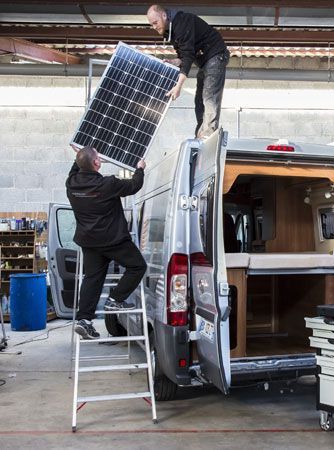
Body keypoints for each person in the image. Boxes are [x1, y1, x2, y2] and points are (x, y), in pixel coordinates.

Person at [66, 147, 147, 339]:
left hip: (89, 242)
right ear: (96, 163)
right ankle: (115, 299)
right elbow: (135, 185)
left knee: (92, 278)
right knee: (137, 266)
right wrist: (140, 168)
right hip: (113, 240)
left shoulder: (71, 184)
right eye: (97, 157)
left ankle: (84, 320)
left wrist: (79, 157)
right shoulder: (108, 184)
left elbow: (75, 169)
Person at [146, 4, 229, 139]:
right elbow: (184, 55)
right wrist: (175, 61)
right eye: (151, 24)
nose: (154, 27)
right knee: (199, 100)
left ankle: (208, 136)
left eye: (155, 22)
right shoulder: (170, 31)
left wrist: (178, 86)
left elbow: (188, 55)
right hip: (205, 61)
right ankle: (200, 134)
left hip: (215, 55)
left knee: (209, 97)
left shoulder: (182, 23)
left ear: (164, 15)